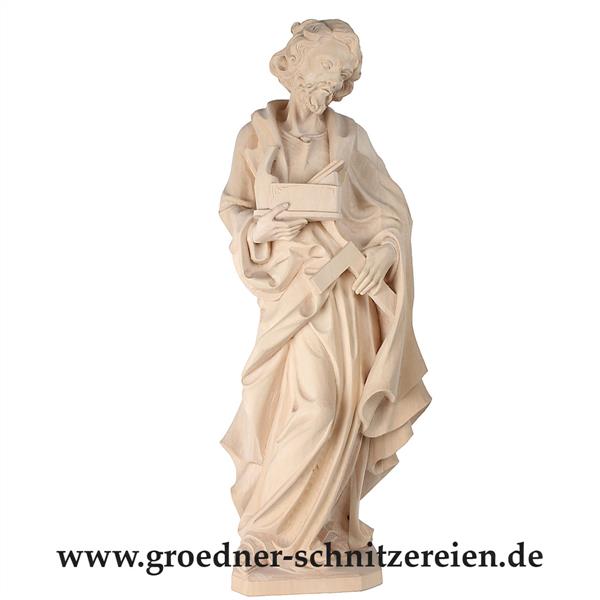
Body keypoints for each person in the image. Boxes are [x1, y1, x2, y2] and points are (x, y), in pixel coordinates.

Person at [219, 19, 431, 576]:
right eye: (324, 65)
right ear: (295, 64)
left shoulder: (350, 138)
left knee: (343, 416)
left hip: (348, 296)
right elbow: (233, 208)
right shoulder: (256, 137)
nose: (330, 80)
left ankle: (325, 527)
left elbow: (391, 212)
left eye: (340, 72)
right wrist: (260, 230)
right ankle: (269, 531)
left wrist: (385, 251)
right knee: (314, 409)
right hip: (293, 296)